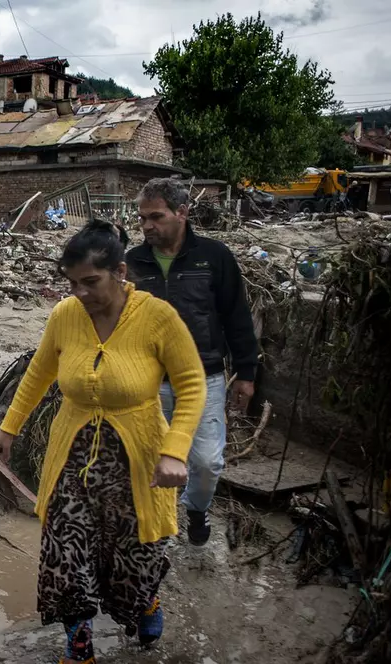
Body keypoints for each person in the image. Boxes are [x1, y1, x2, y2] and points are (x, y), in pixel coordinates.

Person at [0, 219, 206, 664]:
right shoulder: (65, 316)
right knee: (65, 549)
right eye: (72, 284)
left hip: (139, 457)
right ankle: (79, 641)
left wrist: (175, 449)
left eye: (91, 282)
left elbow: (192, 383)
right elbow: (39, 373)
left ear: (120, 272)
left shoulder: (157, 318)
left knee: (138, 552)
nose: (80, 293)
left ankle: (144, 601)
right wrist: (8, 428)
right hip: (72, 455)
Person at [127, 178, 260, 547]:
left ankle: (196, 508)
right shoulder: (132, 262)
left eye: (156, 217)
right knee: (149, 460)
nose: (147, 226)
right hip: (147, 380)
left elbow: (236, 317)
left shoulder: (214, 257)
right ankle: (156, 527)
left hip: (203, 378)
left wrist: (246, 374)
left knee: (205, 462)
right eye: (142, 218)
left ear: (182, 213)